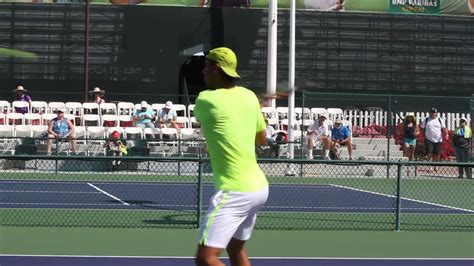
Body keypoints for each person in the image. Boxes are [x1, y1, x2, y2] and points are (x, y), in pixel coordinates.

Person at [194, 47, 268, 266]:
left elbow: (208, 119)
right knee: (235, 248)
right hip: (258, 189)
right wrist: (250, 109)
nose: (203, 72)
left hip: (234, 190)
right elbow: (261, 139)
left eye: (206, 66)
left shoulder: (205, 100)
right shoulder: (249, 96)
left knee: (206, 259)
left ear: (216, 69)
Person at [420, 108, 448, 172]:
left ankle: (435, 165)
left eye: (434, 112)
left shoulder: (439, 120)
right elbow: (422, 128)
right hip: (428, 139)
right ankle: (430, 166)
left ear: (436, 113)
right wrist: (423, 135)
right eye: (432, 112)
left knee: (437, 154)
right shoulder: (426, 120)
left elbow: (444, 128)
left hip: (438, 140)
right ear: (430, 113)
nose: (433, 114)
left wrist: (446, 134)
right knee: (429, 152)